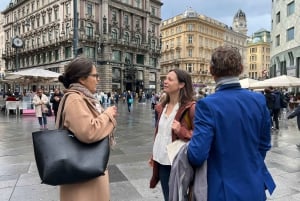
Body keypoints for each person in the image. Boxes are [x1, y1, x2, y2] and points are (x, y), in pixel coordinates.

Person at [187, 46, 276, 201]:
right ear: (240, 69)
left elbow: (197, 155)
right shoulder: (258, 100)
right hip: (254, 185)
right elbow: (264, 144)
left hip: (222, 191)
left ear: (211, 70)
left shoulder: (207, 105)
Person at [56, 56, 117, 201]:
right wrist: (108, 115)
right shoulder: (75, 99)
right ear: (82, 79)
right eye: (95, 75)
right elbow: (88, 132)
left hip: (86, 170)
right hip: (83, 174)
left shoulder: (82, 97)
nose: (98, 79)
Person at [149, 69, 196, 201]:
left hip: (179, 162)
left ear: (181, 84)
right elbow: (160, 134)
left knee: (181, 197)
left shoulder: (191, 108)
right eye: (165, 78)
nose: (165, 81)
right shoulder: (161, 107)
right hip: (162, 161)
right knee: (169, 197)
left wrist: (181, 131)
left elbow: (199, 136)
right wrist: (154, 154)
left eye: (170, 79)